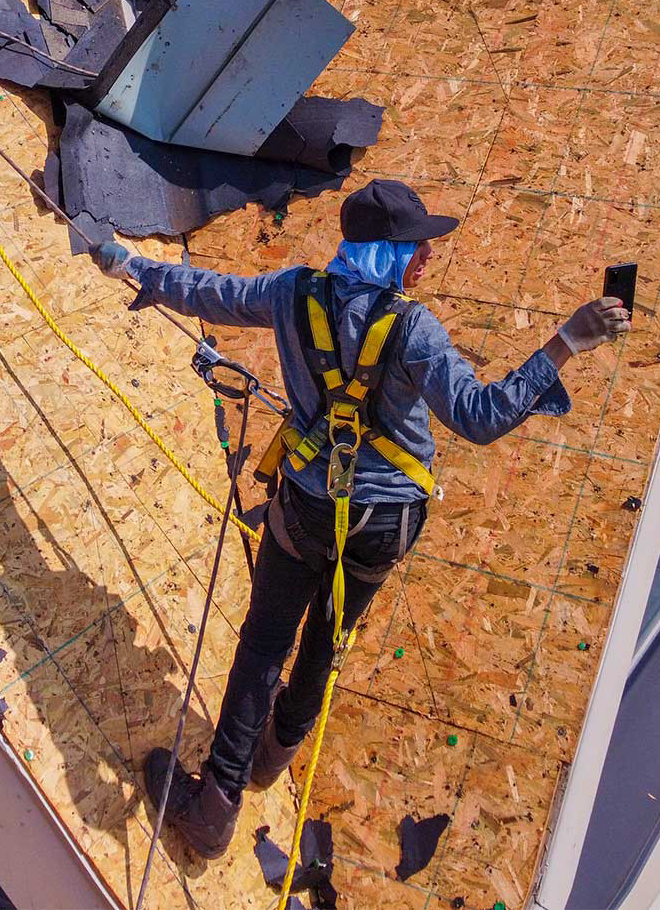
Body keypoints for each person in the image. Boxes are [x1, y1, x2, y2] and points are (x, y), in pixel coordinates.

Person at [88, 179, 630, 857]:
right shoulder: (412, 329)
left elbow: (214, 293)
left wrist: (134, 266)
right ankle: (274, 752)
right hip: (386, 522)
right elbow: (481, 416)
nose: (427, 258)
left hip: (308, 511)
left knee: (265, 644)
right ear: (386, 254)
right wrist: (566, 342)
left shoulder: (293, 295)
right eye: (416, 247)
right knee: (327, 636)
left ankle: (214, 806)